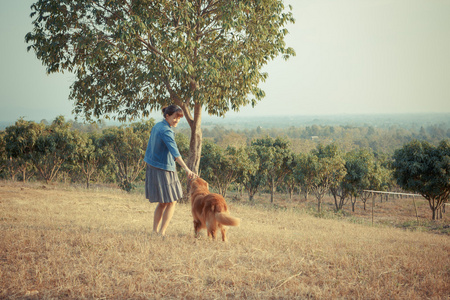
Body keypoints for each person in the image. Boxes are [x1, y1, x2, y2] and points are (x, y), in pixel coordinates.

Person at [144, 105, 196, 237]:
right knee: (172, 201)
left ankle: (155, 232)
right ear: (167, 116)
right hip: (164, 168)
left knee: (163, 202)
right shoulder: (166, 131)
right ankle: (162, 232)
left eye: (178, 119)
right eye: (175, 118)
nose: (176, 121)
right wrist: (186, 168)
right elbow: (175, 153)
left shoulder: (157, 126)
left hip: (153, 165)